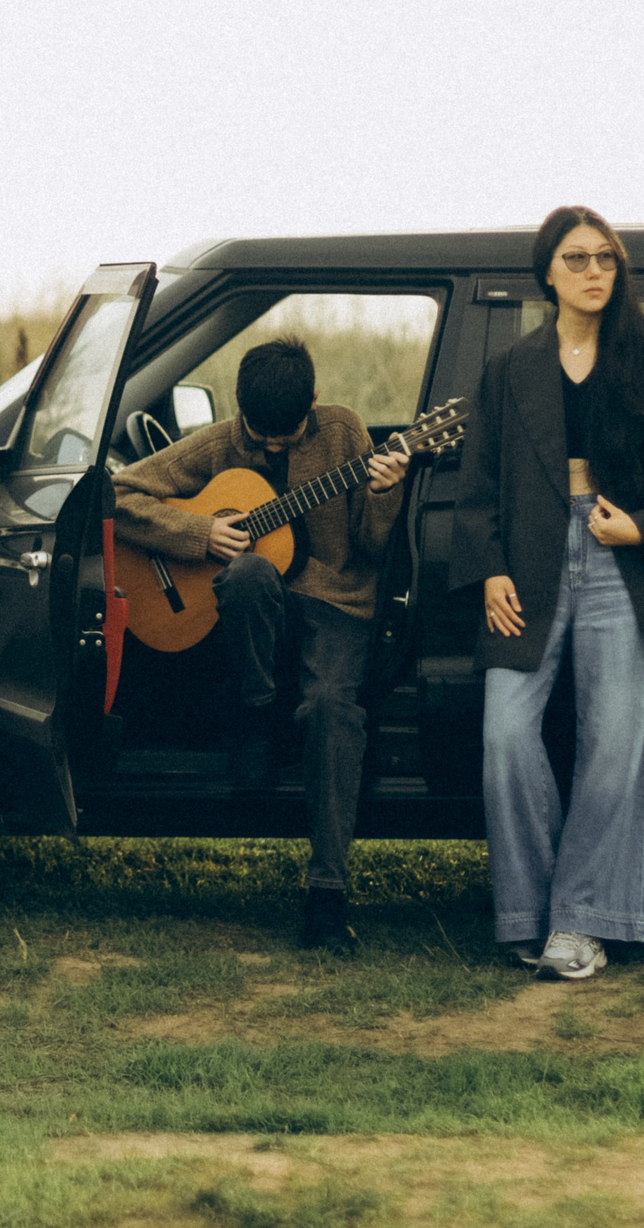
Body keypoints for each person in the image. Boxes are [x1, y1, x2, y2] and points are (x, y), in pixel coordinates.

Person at [455, 208, 644, 981]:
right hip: (527, 559)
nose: (595, 270)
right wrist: (491, 568)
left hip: (617, 558)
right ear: (547, 272)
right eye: (577, 258)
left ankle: (580, 922)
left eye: (606, 258)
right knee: (505, 735)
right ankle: (528, 913)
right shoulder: (511, 369)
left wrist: (640, 526)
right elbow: (480, 483)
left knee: (614, 744)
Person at [112, 338, 413, 955]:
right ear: (239, 406)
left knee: (332, 709)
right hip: (257, 616)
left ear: (315, 401)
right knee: (248, 572)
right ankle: (256, 714)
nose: (274, 446)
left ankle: (327, 895)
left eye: (288, 434)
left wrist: (385, 493)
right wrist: (198, 531)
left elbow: (373, 548)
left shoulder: (345, 433)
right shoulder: (220, 442)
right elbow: (120, 492)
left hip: (336, 602)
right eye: (260, 434)